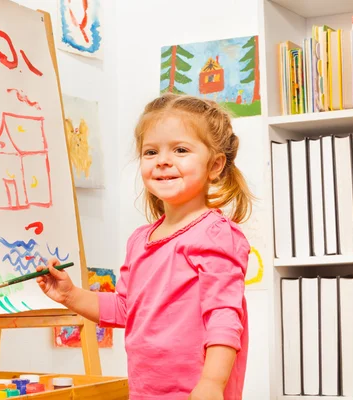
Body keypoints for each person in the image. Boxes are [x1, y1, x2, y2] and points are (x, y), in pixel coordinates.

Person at [37, 93, 253, 400]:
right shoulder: (139, 240)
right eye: (150, 152)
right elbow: (126, 309)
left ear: (215, 165)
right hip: (145, 391)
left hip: (196, 392)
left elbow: (224, 316)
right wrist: (70, 295)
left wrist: (212, 383)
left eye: (180, 149)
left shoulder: (215, 235)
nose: (163, 160)